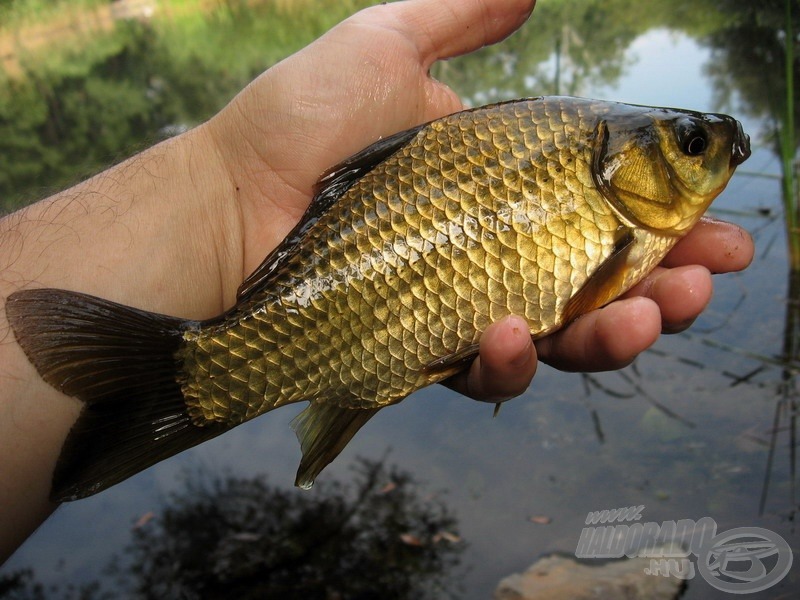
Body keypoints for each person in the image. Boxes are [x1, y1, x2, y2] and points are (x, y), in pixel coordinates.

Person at [0, 0, 753, 563]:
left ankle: (207, 380)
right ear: (623, 157)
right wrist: (226, 183)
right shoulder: (610, 201)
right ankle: (193, 375)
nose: (713, 153)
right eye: (691, 144)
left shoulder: (613, 195)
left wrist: (222, 183)